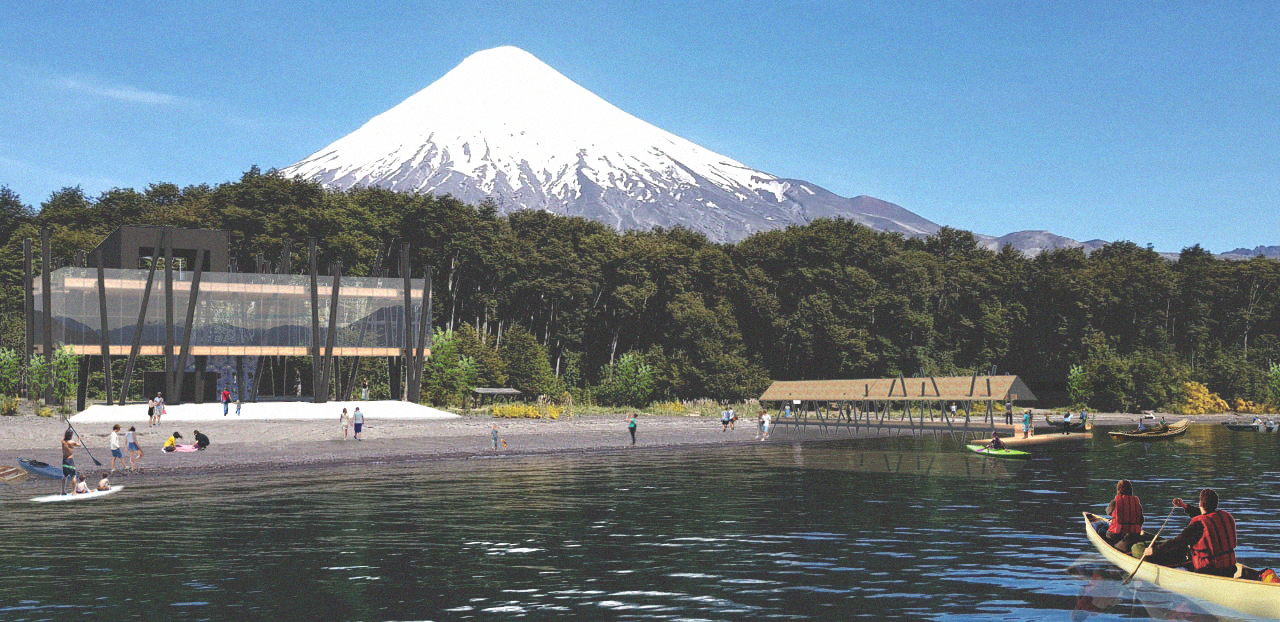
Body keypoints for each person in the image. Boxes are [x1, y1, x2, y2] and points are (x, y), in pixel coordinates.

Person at [1144, 489, 1238, 577]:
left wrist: (1153, 550)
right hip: (1230, 569)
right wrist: (1184, 506)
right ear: (1216, 504)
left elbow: (1177, 542)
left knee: (1162, 555)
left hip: (1209, 571)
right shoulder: (1224, 517)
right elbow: (1205, 515)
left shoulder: (1198, 525)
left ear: (1200, 504)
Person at [1103, 479, 1144, 553]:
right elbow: (1141, 519)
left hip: (1116, 534)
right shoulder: (1136, 503)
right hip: (1134, 534)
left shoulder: (1115, 502)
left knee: (1103, 530)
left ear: (1118, 489)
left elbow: (1108, 512)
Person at [61, 428, 79, 494]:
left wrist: (68, 429)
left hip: (64, 461)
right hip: (70, 461)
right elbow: (79, 445)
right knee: (73, 476)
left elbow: (64, 437)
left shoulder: (63, 441)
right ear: (71, 436)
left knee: (64, 476)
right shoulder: (72, 442)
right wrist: (79, 440)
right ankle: (73, 491)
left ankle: (63, 491)